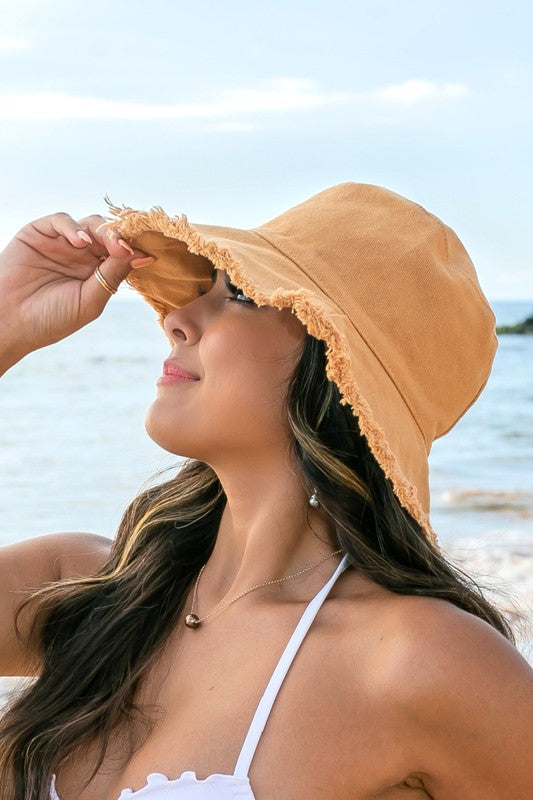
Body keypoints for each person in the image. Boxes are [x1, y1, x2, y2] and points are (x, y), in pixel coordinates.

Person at [0, 183, 531, 800]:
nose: (175, 319)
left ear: (337, 371)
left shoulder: (417, 661)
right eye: (203, 291)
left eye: (242, 297)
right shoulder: (85, 589)